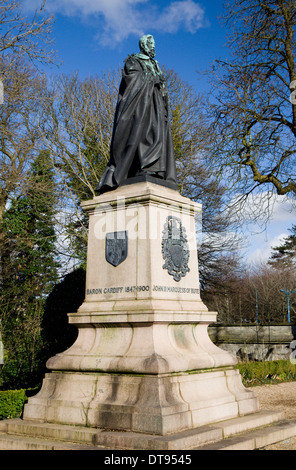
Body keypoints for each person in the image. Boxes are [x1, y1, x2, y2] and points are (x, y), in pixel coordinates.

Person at [96, 34, 177, 194]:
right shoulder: (134, 61)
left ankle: (154, 169)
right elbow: (131, 80)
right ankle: (142, 166)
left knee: (158, 137)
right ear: (143, 46)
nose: (153, 47)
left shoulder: (155, 64)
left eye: (154, 44)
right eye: (151, 44)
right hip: (141, 107)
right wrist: (151, 79)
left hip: (156, 107)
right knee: (142, 135)